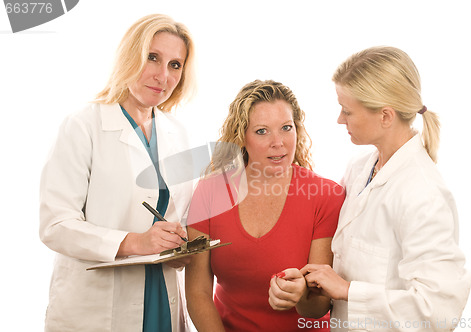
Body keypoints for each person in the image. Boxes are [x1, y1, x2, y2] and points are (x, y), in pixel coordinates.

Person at [291, 46, 471, 331]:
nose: (340, 119)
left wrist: (348, 290)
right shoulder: (360, 168)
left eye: (347, 111)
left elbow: (437, 311)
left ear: (386, 116)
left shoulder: (423, 194)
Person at [39, 14, 196, 331]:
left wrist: (181, 247)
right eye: (152, 57)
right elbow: (55, 225)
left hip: (161, 294)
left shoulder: (177, 134)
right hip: (97, 308)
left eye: (175, 65)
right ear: (130, 55)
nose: (162, 75)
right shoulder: (83, 126)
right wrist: (136, 242)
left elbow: (179, 220)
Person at [185, 79, 345, 332]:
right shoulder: (209, 192)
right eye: (262, 131)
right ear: (242, 137)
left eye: (286, 128)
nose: (278, 142)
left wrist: (302, 293)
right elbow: (198, 292)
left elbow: (317, 308)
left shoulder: (327, 195)